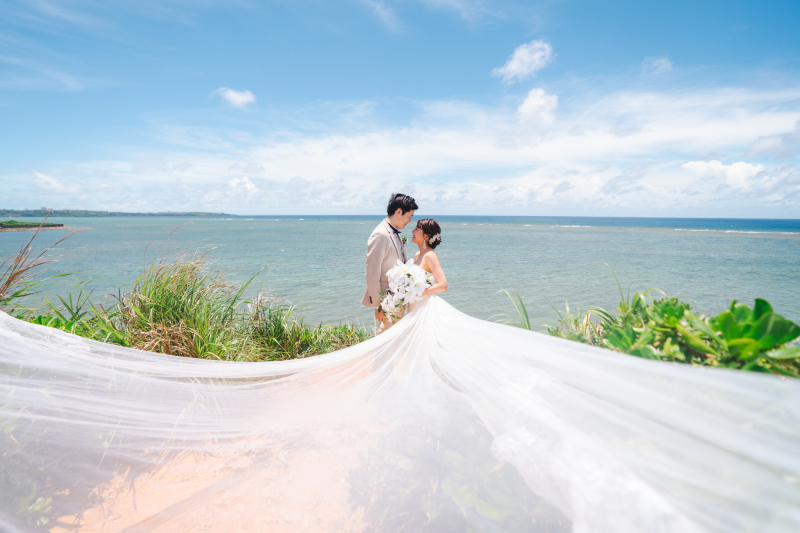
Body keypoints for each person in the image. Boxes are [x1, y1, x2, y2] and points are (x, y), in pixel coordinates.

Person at [362, 193, 418, 331]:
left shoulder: (394, 232)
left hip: (397, 298)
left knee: (392, 341)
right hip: (386, 301)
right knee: (384, 341)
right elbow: (372, 272)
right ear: (399, 211)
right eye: (409, 216)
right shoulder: (380, 234)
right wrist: (377, 305)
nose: (410, 221)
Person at [407, 218, 447, 315]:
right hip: (413, 306)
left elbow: (443, 285)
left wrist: (417, 293)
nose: (412, 231)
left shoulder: (430, 255)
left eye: (416, 229)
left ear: (426, 237)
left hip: (424, 307)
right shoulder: (418, 255)